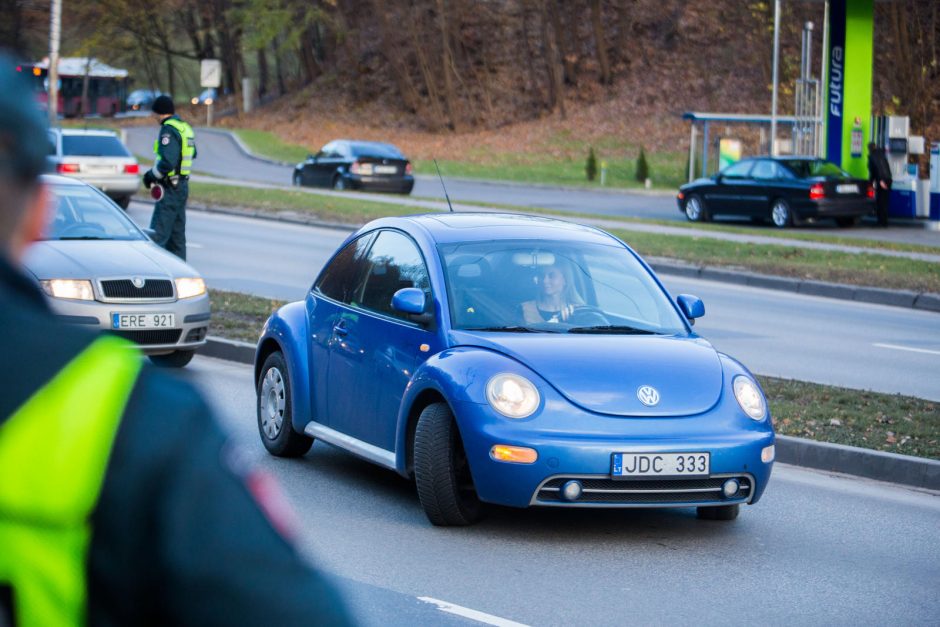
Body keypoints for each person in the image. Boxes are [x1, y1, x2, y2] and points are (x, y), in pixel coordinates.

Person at [0, 58, 349, 626]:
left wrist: (160, 180)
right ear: (41, 214)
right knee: (171, 241)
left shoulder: (170, 133)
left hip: (173, 189)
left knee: (166, 238)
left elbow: (166, 164)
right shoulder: (124, 412)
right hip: (181, 191)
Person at [143, 95, 195, 259]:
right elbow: (192, 153)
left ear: (160, 112)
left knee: (158, 234)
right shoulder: (184, 128)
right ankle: (181, 278)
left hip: (170, 188)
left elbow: (167, 162)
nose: (154, 117)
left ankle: (156, 278)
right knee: (177, 238)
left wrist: (150, 176)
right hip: (182, 187)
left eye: (154, 114)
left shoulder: (168, 130)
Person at [867, 141, 892, 227]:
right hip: (888, 179)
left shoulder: (872, 157)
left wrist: (875, 181)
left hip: (882, 181)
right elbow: (886, 168)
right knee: (885, 202)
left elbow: (875, 170)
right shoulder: (882, 154)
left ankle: (881, 222)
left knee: (880, 202)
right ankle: (884, 221)